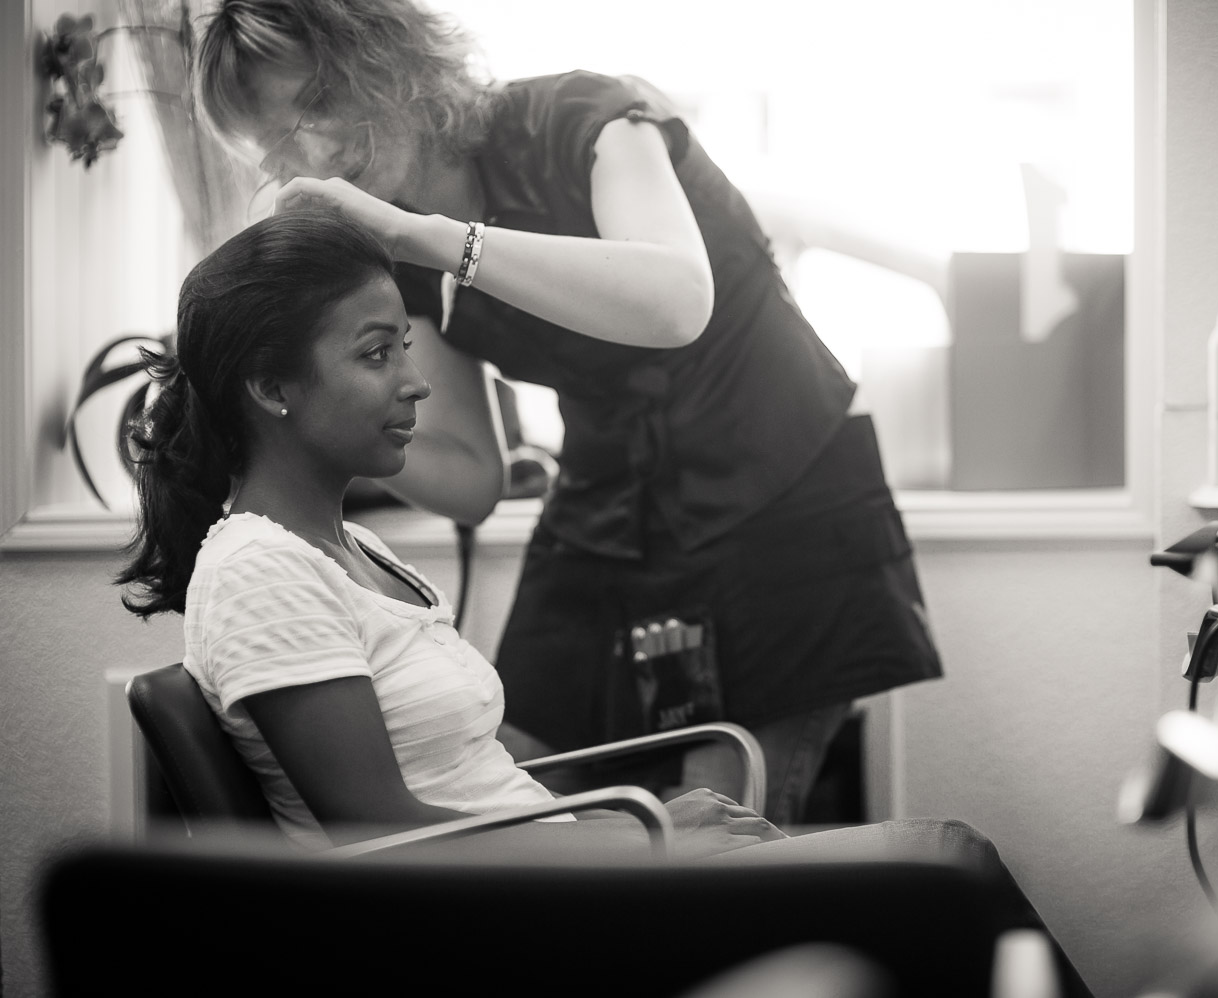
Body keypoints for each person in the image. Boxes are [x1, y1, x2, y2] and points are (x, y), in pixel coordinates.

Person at [114, 212, 1088, 996]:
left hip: (564, 878)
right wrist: (647, 836)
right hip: (514, 929)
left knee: (931, 883)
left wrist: (648, 817)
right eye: (375, 353)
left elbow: (467, 769)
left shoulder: (348, 547)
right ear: (270, 383)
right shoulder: (258, 571)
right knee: (946, 866)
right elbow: (378, 838)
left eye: (407, 345)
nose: (416, 380)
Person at [192, 0, 942, 826]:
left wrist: (431, 238)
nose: (308, 158)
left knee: (718, 810)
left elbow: (676, 301)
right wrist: (290, 431)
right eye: (274, 150)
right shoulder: (395, 264)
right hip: (610, 505)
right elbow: (472, 475)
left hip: (773, 492)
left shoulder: (584, 122)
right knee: (507, 746)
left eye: (311, 112)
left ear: (387, 61)